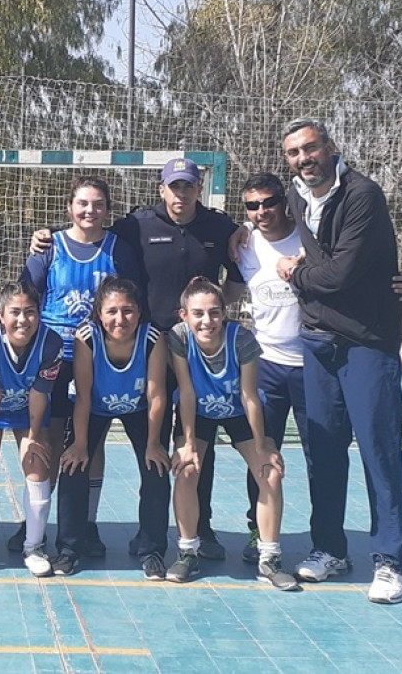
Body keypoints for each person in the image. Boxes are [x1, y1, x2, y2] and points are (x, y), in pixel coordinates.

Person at [36, 160, 245, 560]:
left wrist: (212, 316)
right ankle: (73, 540)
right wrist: (45, 236)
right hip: (133, 343)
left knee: (187, 443)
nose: (181, 194)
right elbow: (88, 230)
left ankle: (192, 530)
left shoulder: (219, 227)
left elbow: (236, 272)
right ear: (162, 189)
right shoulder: (136, 225)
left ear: (199, 188)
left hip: (183, 348)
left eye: (188, 186)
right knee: (81, 451)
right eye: (174, 186)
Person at [275, 118, 402, 604]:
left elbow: (339, 274)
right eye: (293, 152)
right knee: (324, 452)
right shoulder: (294, 196)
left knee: (379, 452)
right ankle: (330, 548)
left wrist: (296, 272)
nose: (303, 158)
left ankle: (390, 561)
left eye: (310, 148)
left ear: (330, 148)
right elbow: (264, 222)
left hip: (367, 342)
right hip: (318, 342)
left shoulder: (362, 194)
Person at [21, 176, 141, 558]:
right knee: (51, 440)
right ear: (70, 207)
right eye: (83, 203)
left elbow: (131, 302)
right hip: (54, 359)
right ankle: (35, 521)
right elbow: (27, 298)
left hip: (99, 359)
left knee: (92, 442)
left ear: (108, 209)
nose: (90, 211)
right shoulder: (48, 247)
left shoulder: (119, 249)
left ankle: (87, 524)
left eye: (98, 204)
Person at [165, 278, 298, 590]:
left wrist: (263, 445)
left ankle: (270, 558)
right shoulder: (179, 337)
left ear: (224, 313)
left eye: (214, 313)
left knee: (269, 473)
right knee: (186, 470)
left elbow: (250, 396)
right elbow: (185, 392)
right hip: (197, 413)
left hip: (238, 411)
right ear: (184, 315)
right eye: (198, 313)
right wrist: (186, 444)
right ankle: (187, 552)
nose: (206, 321)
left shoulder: (241, 339)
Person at [57, 277, 170, 579]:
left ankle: (151, 548)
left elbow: (157, 394)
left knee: (156, 468)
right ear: (99, 313)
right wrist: (79, 444)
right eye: (112, 311)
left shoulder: (152, 338)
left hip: (139, 409)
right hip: (94, 407)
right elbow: (82, 395)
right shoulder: (87, 337)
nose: (120, 319)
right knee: (72, 465)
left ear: (139, 312)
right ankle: (69, 547)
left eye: (128, 311)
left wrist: (154, 442)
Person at [0, 282, 62, 578]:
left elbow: (39, 394)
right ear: (0, 315)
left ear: (39, 315)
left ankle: (34, 546)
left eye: (30, 312)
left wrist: (31, 437)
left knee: (38, 459)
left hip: (28, 408)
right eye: (15, 312)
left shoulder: (50, 344)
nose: (22, 320)